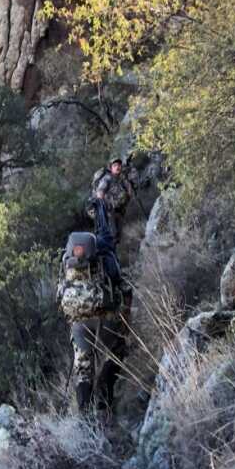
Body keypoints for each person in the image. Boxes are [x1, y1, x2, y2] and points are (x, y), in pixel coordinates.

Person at [58, 198, 132, 414]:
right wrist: (125, 318)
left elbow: (59, 296)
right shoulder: (105, 254)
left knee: (83, 368)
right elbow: (123, 287)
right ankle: (105, 403)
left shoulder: (66, 263)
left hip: (79, 323)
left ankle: (84, 416)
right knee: (116, 352)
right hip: (105, 318)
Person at [91, 157, 136, 245]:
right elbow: (100, 193)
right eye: (115, 165)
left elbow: (130, 194)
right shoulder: (107, 179)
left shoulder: (122, 179)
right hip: (108, 211)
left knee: (117, 236)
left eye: (119, 165)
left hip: (119, 211)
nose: (117, 167)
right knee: (112, 235)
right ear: (111, 168)